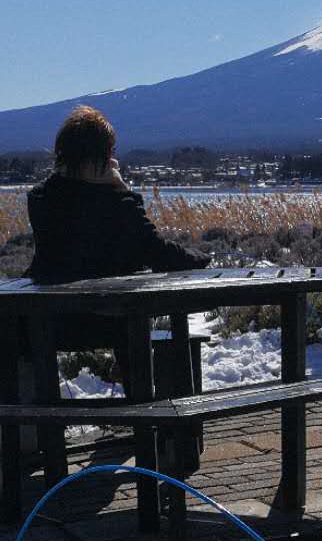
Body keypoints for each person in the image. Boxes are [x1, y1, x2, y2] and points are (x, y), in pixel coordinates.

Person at [26, 105, 209, 387]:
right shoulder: (115, 202)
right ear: (102, 157)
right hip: (108, 322)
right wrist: (199, 258)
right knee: (132, 316)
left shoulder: (40, 199)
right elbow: (155, 250)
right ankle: (151, 416)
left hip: (50, 321)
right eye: (110, 152)